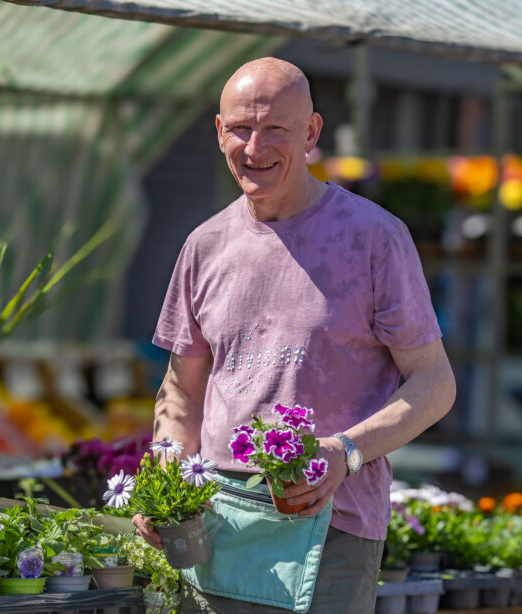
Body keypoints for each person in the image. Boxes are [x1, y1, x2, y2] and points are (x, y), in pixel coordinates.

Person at [133, 57, 456, 613]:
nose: (254, 149)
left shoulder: (374, 238)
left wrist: (344, 453)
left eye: (275, 129)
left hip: (333, 528)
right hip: (219, 523)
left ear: (310, 133)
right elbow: (183, 389)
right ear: (218, 131)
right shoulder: (204, 245)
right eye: (240, 129)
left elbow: (434, 382)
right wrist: (165, 474)